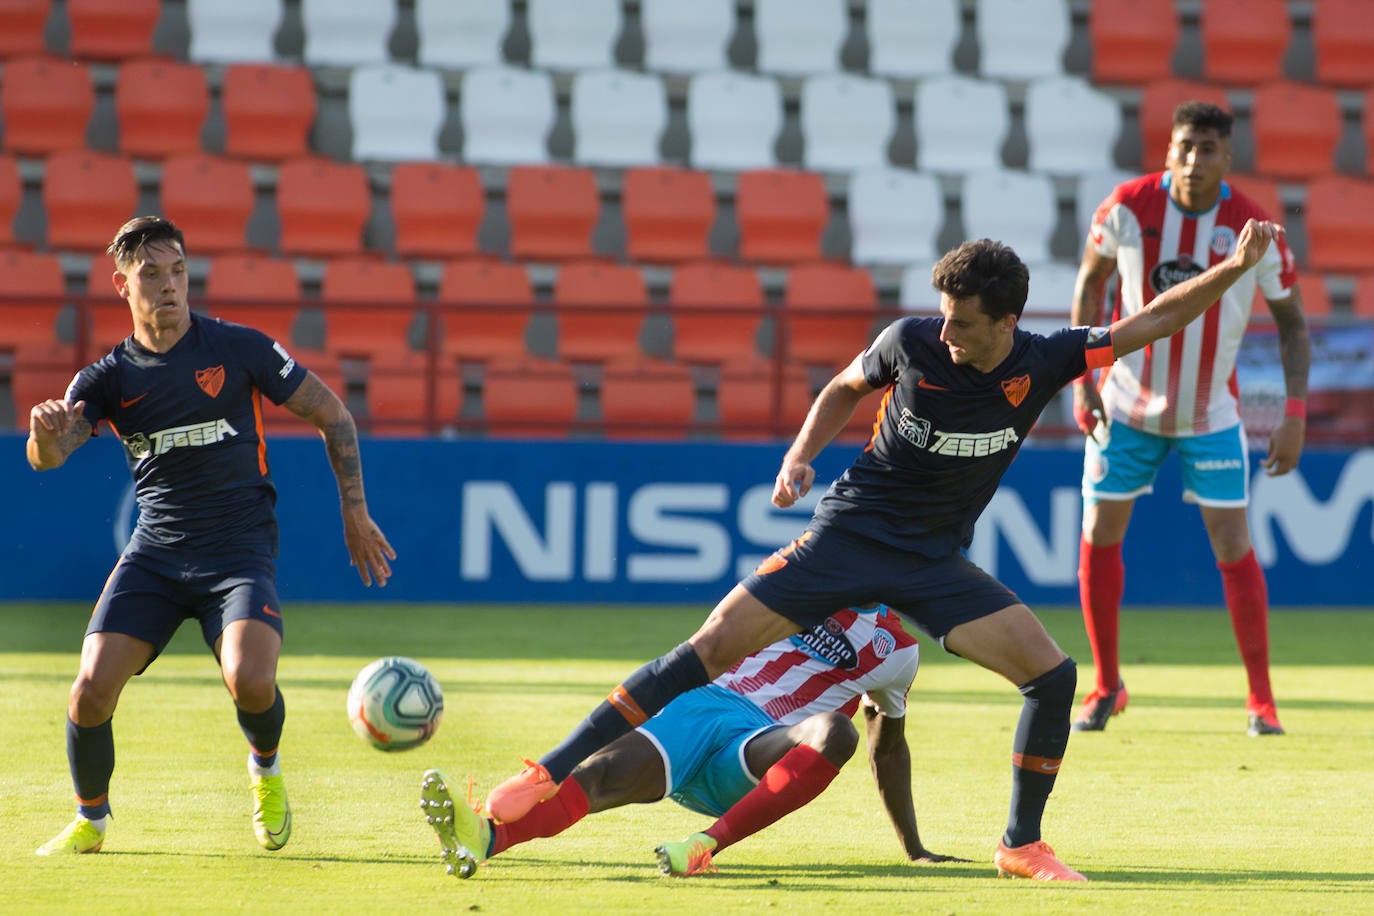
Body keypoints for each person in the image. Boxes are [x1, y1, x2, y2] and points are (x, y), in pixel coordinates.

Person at [478, 218, 1283, 883]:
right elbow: (840, 390)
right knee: (709, 648)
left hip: (931, 563)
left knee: (1052, 675)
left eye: (963, 322)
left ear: (1007, 321)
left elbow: (1154, 320)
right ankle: (546, 770)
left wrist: (1236, 270)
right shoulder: (910, 342)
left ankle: (1019, 845)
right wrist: (800, 455)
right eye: (942, 314)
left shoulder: (1045, 360)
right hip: (846, 538)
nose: (946, 332)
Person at [29, 216, 396, 856]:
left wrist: (354, 513)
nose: (169, 285)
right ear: (122, 284)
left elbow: (333, 414)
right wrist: (42, 431)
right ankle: (91, 820)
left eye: (178, 271)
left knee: (251, 680)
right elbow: (50, 456)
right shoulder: (108, 379)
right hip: (156, 556)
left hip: (237, 552)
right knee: (88, 692)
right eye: (151, 273)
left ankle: (267, 772)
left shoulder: (237, 348)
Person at [1069, 102, 1310, 738]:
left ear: (1227, 156)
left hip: (1210, 412)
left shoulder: (1255, 229)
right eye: (1184, 146)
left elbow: (1292, 324)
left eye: (1207, 148)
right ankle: (1106, 685)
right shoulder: (1125, 206)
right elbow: (1090, 286)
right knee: (1099, 534)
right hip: (1124, 404)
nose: (1193, 160)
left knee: (1233, 543)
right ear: (1168, 149)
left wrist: (1295, 413)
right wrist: (1083, 379)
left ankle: (1261, 700)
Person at [420, 605, 966, 879]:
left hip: (761, 749)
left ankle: (704, 845)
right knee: (603, 773)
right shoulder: (801, 573)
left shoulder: (898, 650)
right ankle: (486, 839)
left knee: (835, 730)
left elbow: (887, 745)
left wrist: (914, 848)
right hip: (704, 706)